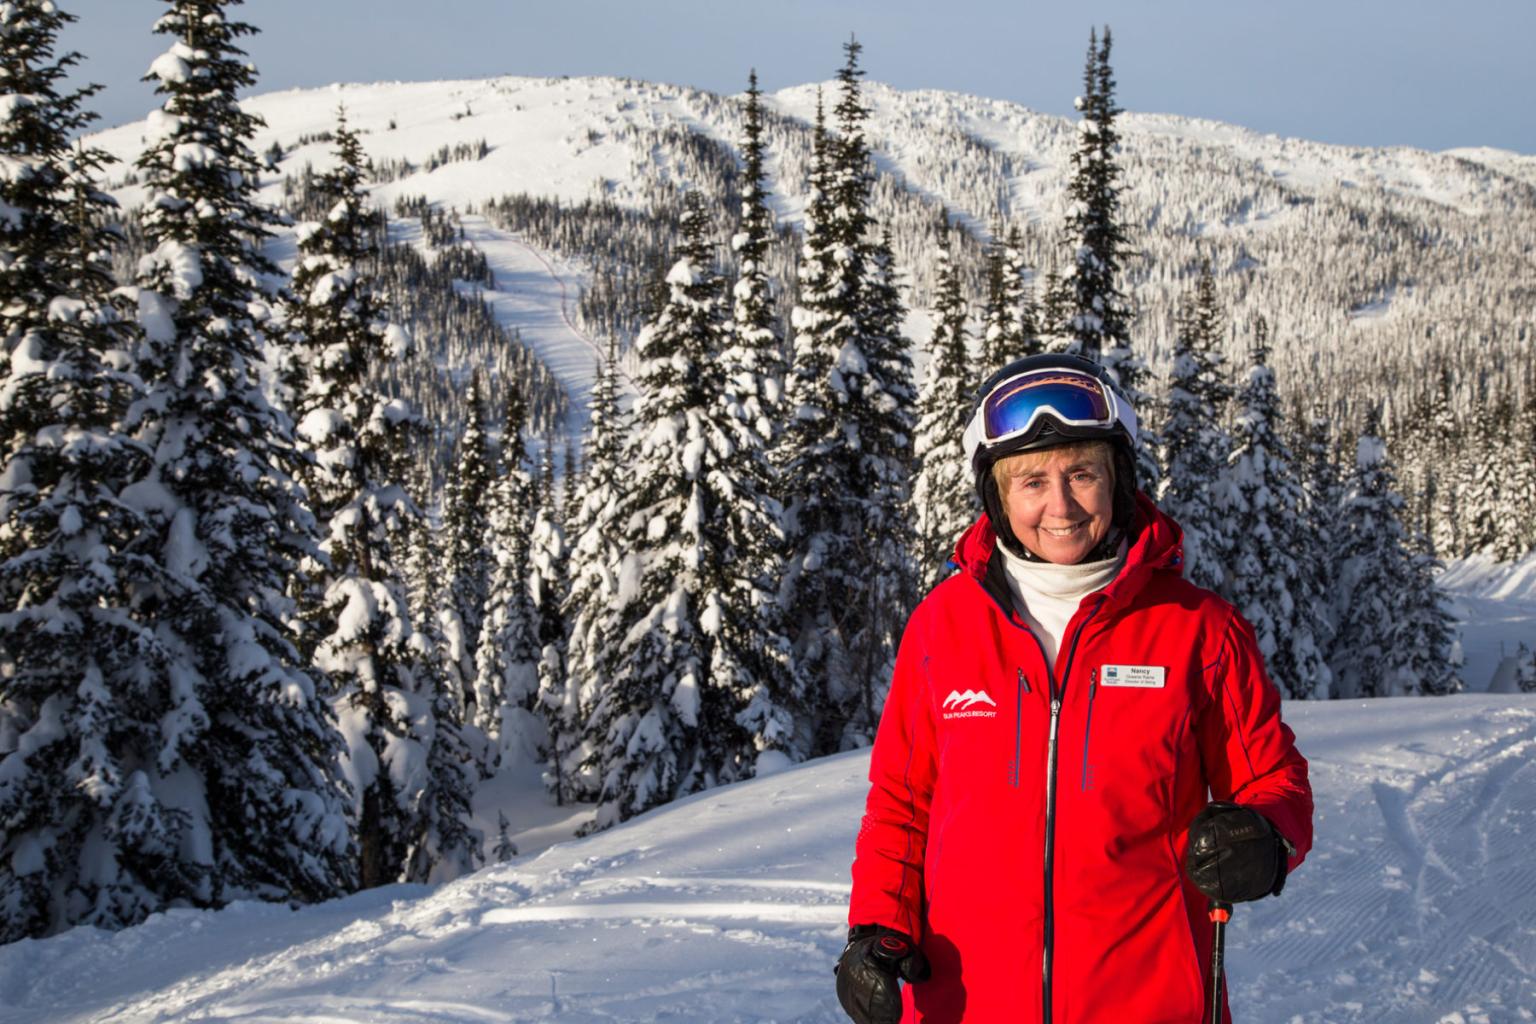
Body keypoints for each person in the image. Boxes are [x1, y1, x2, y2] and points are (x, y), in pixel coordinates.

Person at [835, 353, 1314, 1024]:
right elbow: (902, 803)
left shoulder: (1198, 631)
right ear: (999, 497)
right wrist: (876, 929)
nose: (1059, 505)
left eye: (1081, 473)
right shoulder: (943, 627)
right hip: (968, 1004)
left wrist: (1264, 836)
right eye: (1031, 481)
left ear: (1116, 480)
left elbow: (1274, 778)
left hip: (1152, 1003)